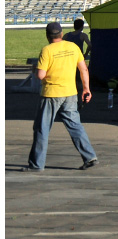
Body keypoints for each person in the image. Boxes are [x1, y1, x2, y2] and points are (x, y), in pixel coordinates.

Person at [25, 22, 99, 172]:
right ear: (61, 33)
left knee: (42, 128)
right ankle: (89, 156)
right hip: (70, 93)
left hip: (51, 94)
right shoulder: (73, 47)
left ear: (47, 35)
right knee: (75, 125)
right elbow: (83, 68)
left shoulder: (47, 50)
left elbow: (41, 75)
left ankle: (37, 164)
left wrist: (35, 69)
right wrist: (86, 89)